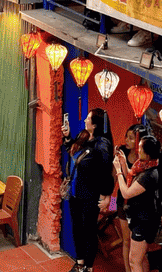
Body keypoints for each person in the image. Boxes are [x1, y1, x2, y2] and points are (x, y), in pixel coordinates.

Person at [62, 108, 114, 272]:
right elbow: (73, 152)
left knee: (89, 231)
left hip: (90, 195)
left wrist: (106, 195)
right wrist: (68, 137)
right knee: (77, 228)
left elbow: (107, 170)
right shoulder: (84, 136)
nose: (85, 120)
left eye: (88, 118)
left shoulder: (102, 144)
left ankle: (89, 267)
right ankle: (80, 263)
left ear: (96, 124)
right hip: (75, 193)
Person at [114, 134, 162, 272]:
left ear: (147, 153)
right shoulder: (142, 166)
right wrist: (123, 163)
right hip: (133, 213)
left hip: (142, 219)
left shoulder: (150, 174)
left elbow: (127, 192)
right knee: (139, 256)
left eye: (140, 147)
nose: (137, 149)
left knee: (134, 260)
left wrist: (118, 171)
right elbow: (132, 176)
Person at [115, 124, 149, 272]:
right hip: (122, 202)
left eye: (131, 138)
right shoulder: (121, 151)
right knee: (126, 240)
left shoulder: (147, 159)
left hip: (139, 206)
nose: (126, 140)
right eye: (126, 137)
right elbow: (116, 179)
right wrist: (106, 199)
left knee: (140, 245)